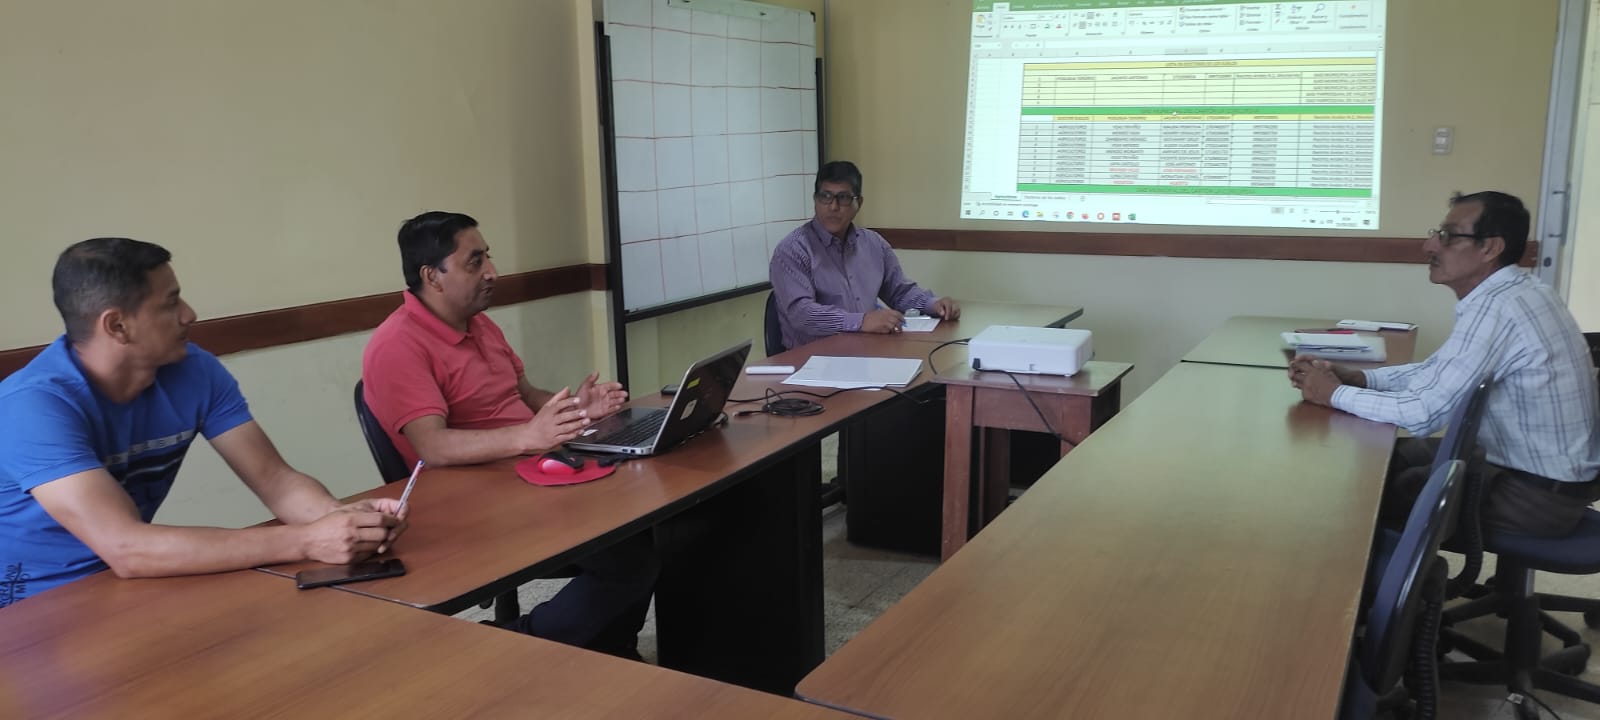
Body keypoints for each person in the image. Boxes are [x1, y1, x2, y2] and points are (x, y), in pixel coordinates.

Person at [0, 238, 406, 608]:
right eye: (170, 303)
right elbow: (127, 547)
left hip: (131, 588)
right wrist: (308, 540)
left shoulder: (194, 369)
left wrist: (343, 521)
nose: (189, 315)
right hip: (30, 609)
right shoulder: (32, 406)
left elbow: (276, 481)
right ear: (117, 326)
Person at [362, 210, 654, 659]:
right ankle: (515, 648)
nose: (492, 272)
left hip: (534, 477)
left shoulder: (479, 322)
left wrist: (578, 410)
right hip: (475, 506)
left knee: (643, 525)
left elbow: (526, 395)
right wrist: (528, 438)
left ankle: (610, 650)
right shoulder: (397, 345)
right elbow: (433, 446)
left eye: (488, 257)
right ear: (431, 276)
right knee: (628, 561)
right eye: (475, 262)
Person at [1290, 191, 1600, 537]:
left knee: (1358, 494)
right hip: (1523, 466)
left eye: (1448, 236)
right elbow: (1436, 370)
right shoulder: (1518, 291)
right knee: (1377, 457)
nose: (1430, 246)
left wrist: (1332, 394)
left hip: (1535, 496)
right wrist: (1360, 379)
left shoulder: (1499, 308)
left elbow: (1423, 414)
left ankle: (1401, 572)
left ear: (1490, 248)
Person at [769, 160, 961, 350]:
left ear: (858, 203)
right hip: (810, 358)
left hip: (865, 351)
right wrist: (861, 321)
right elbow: (801, 314)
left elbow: (899, 292)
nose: (833, 206)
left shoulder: (873, 244)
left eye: (843, 198)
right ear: (815, 200)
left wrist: (933, 305)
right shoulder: (792, 250)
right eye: (825, 197)